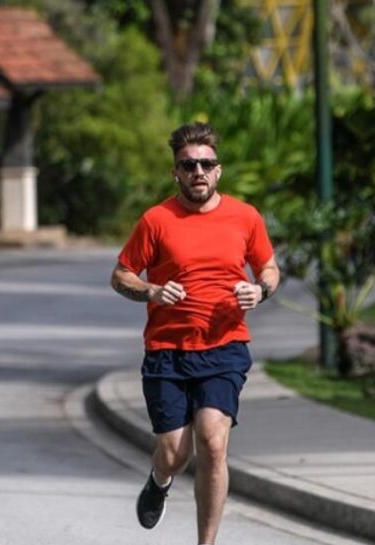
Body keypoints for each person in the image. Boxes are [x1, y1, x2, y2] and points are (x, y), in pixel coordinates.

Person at [110, 122, 280, 545]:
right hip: (167, 350)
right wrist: (151, 289)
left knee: (212, 441)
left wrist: (258, 290)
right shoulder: (156, 220)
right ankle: (159, 479)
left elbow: (270, 269)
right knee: (175, 453)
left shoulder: (245, 217)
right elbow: (120, 275)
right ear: (176, 173)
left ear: (218, 170)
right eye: (189, 165)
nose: (198, 171)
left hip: (225, 346)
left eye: (206, 164)